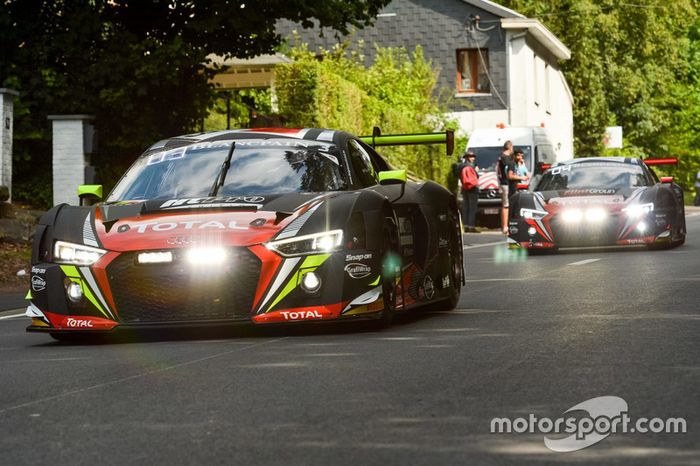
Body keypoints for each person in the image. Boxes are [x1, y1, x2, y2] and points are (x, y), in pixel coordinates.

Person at [460, 151, 480, 233]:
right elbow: (476, 177)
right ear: (468, 157)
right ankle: (471, 227)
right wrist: (476, 171)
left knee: (466, 207)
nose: (473, 158)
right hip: (472, 188)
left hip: (464, 188)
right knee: (472, 208)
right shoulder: (471, 166)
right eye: (472, 157)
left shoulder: (461, 166)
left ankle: (466, 226)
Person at [497, 140, 514, 234]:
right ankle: (505, 227)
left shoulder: (501, 157)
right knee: (506, 206)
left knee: (505, 205)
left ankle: (505, 226)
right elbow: (508, 172)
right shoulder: (505, 158)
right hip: (505, 183)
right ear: (510, 147)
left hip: (503, 183)